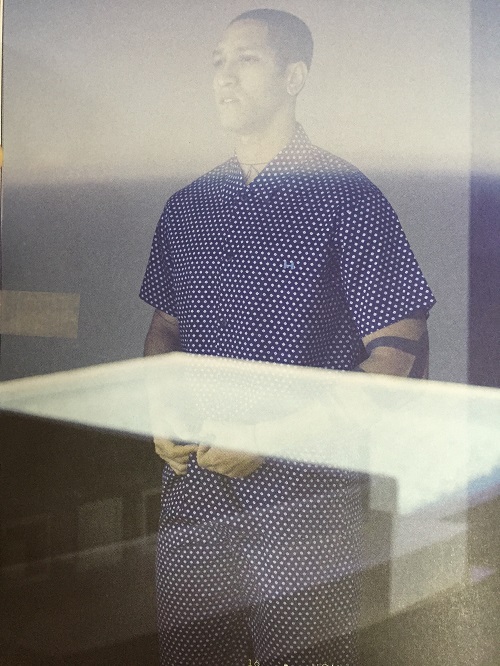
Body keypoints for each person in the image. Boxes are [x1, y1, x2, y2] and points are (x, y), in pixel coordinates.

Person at [140, 8, 435, 665]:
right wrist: (158, 409)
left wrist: (273, 436)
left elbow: (399, 354)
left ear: (293, 77)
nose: (224, 75)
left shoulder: (348, 199)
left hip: (305, 505)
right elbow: (164, 329)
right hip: (193, 495)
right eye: (218, 61)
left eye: (245, 59)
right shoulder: (187, 206)